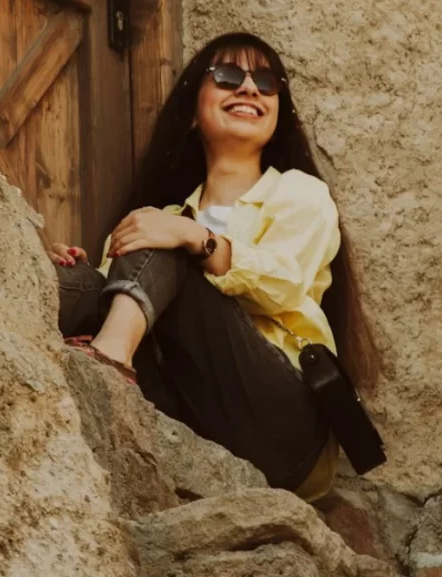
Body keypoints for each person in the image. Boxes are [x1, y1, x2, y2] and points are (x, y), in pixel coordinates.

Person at [48, 32, 379, 502]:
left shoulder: (300, 194)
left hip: (282, 427)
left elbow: (283, 285)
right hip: (192, 410)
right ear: (190, 112)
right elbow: (118, 294)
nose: (249, 88)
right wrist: (77, 271)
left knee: (165, 236)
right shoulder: (162, 218)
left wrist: (194, 237)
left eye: (266, 82)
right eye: (227, 76)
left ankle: (107, 368)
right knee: (77, 280)